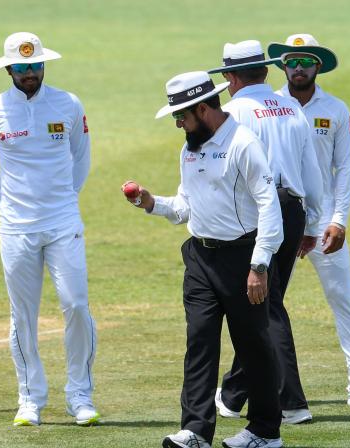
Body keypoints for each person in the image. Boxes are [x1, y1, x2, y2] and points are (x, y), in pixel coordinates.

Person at [131, 71, 284, 448]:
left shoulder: (244, 144)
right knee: (199, 340)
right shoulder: (190, 147)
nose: (178, 123)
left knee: (252, 345)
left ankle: (266, 431)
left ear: (203, 108)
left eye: (181, 116)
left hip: (243, 258)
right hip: (200, 258)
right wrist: (153, 205)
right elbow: (186, 206)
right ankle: (196, 430)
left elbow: (269, 206)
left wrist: (259, 264)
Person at [0, 32, 99, 427]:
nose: (31, 73)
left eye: (37, 65)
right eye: (23, 67)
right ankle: (30, 398)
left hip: (63, 222)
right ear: (9, 68)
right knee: (23, 314)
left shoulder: (69, 103)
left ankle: (80, 395)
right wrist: (9, 207)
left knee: (76, 304)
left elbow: (81, 156)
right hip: (16, 228)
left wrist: (64, 199)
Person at [208, 40, 323, 425]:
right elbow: (311, 172)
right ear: (267, 70)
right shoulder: (290, 106)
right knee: (261, 303)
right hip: (293, 212)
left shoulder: (233, 111)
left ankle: (291, 402)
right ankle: (233, 394)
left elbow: (226, 172)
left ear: (229, 77)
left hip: (259, 215)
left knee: (267, 307)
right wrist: (312, 223)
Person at [268, 33, 350, 407]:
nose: (298, 68)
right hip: (279, 219)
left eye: (306, 61)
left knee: (341, 297)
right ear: (283, 66)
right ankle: (238, 390)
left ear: (318, 65)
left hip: (324, 223)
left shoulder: (335, 109)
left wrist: (339, 220)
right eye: (292, 61)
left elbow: (344, 168)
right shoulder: (268, 106)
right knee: (264, 305)